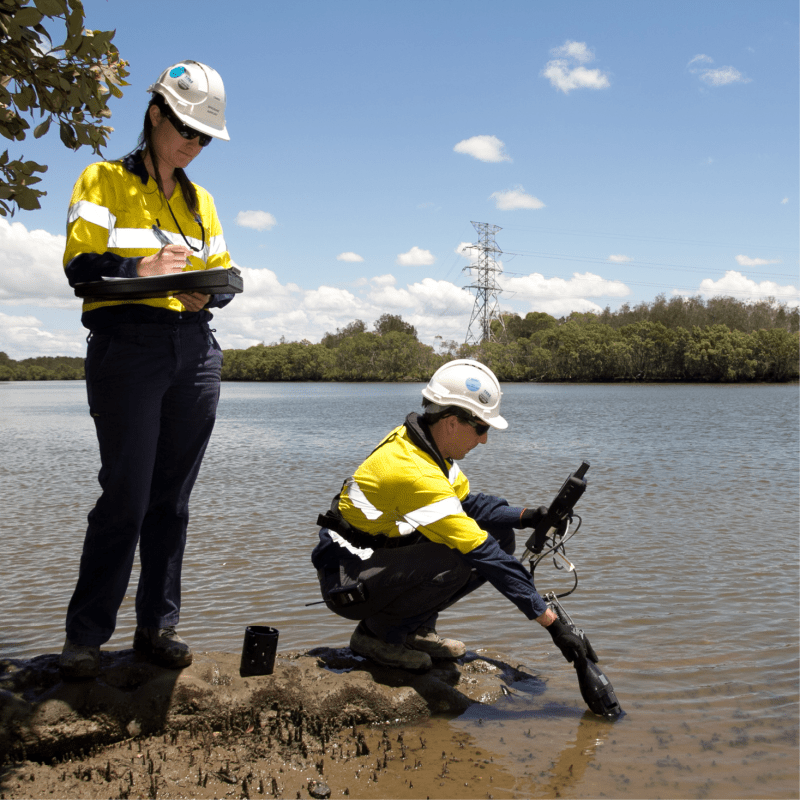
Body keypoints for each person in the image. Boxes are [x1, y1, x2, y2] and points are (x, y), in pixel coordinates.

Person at [59, 60, 234, 680]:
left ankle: (157, 628)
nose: (194, 144)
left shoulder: (202, 200)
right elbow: (81, 269)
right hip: (126, 347)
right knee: (126, 499)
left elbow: (224, 275)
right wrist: (143, 273)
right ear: (156, 113)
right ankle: (85, 638)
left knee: (172, 502)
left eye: (204, 137)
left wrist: (208, 294)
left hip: (195, 352)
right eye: (186, 128)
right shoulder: (103, 179)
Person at [311, 359, 598, 673]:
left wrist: (530, 516)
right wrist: (552, 624)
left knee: (501, 536)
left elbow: (468, 506)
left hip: (376, 558)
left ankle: (414, 629)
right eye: (481, 428)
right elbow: (485, 553)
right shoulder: (413, 472)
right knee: (465, 554)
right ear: (451, 421)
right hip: (348, 579)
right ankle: (378, 636)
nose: (485, 439)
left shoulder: (427, 448)